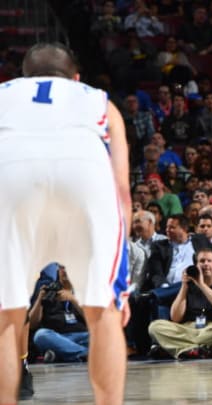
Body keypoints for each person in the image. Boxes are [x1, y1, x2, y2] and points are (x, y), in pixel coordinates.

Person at [0, 43, 131, 404]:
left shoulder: (4, 95)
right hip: (85, 171)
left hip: (11, 173)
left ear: (22, 79)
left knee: (7, 317)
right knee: (103, 311)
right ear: (75, 79)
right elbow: (121, 189)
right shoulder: (98, 100)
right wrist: (119, 285)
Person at [148, 248, 212, 359]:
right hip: (189, 328)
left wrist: (202, 285)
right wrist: (184, 286)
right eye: (202, 261)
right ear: (196, 265)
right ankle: (192, 350)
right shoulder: (189, 286)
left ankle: (175, 347)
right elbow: (175, 317)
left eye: (209, 261)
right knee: (155, 327)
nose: (205, 264)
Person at [28, 264, 90, 363]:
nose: (64, 270)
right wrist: (40, 300)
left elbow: (91, 319)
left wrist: (73, 300)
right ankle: (84, 353)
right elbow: (32, 324)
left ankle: (63, 354)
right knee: (40, 335)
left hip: (82, 336)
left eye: (67, 267)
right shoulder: (49, 289)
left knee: (100, 334)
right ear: (58, 270)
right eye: (62, 267)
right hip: (57, 337)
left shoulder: (82, 290)